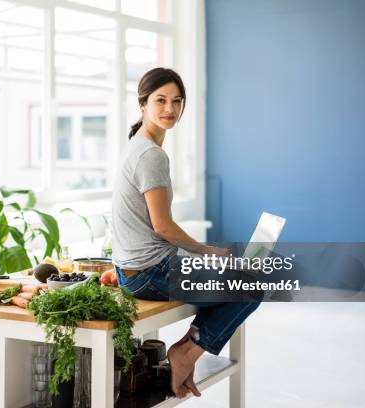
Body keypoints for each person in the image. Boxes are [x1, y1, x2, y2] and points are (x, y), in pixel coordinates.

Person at [111, 67, 261, 399]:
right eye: (160, 100)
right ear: (143, 104)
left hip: (135, 270)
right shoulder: (151, 155)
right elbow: (163, 227)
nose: (170, 109)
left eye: (176, 101)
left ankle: (186, 348)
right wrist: (209, 252)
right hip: (149, 274)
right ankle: (185, 353)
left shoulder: (138, 144)